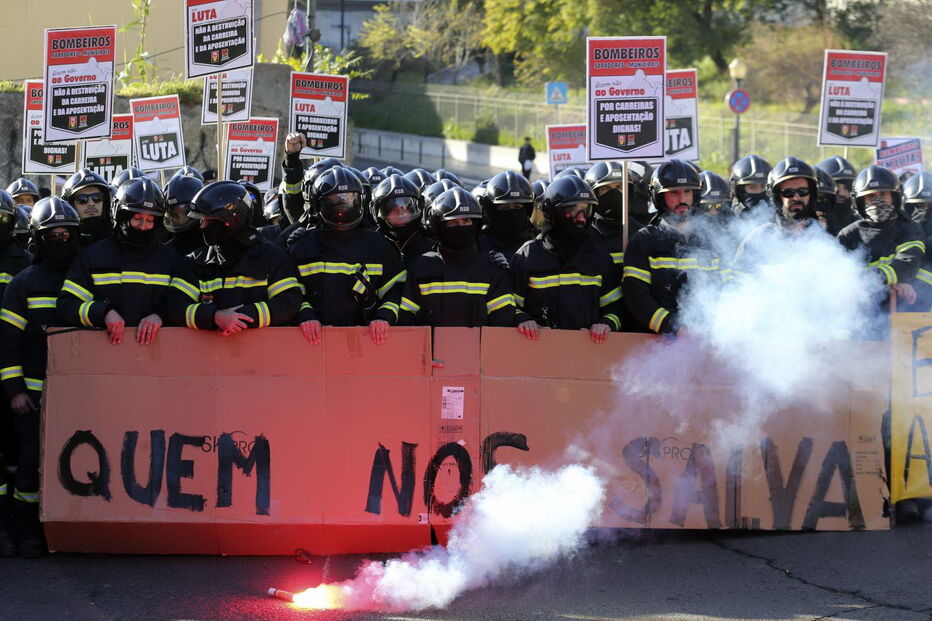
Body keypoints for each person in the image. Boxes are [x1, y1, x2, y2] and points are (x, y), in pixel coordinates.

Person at [0, 197, 81, 557]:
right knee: (30, 467)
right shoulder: (23, 283)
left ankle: (64, 531)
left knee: (75, 463)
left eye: (67, 235)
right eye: (52, 235)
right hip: (32, 398)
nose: (60, 240)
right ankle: (27, 532)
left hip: (80, 396)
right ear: (36, 237)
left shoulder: (86, 279)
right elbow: (8, 344)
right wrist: (15, 391)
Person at [58, 178, 185, 345]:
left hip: (157, 359)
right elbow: (67, 306)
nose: (143, 226)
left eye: (150, 220)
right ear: (121, 215)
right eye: (138, 218)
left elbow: (183, 305)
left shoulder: (171, 260)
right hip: (106, 358)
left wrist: (161, 316)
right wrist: (102, 312)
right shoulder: (93, 257)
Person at [288, 166, 404, 345]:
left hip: (367, 344)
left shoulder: (379, 245)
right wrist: (305, 314)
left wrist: (383, 316)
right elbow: (290, 289)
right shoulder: (303, 246)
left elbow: (397, 288)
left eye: (349, 199)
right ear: (318, 205)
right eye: (334, 200)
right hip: (310, 343)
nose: (342, 206)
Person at [168, 181, 302, 333]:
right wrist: (215, 317)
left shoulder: (272, 257)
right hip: (210, 356)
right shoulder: (195, 261)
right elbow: (175, 305)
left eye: (207, 219)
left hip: (262, 354)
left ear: (231, 221)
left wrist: (244, 316)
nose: (201, 225)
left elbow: (289, 302)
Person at [511, 175, 622, 342]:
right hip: (537, 354)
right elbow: (508, 305)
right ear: (552, 212)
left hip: (585, 355)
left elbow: (617, 307)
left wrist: (607, 323)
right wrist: (522, 319)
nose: (581, 218)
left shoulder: (600, 258)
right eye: (572, 210)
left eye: (586, 210)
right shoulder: (527, 256)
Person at [399, 187, 515, 327]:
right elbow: (406, 319)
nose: (460, 227)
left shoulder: (492, 269)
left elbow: (503, 322)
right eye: (452, 222)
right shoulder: (422, 266)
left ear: (476, 225)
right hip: (430, 348)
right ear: (439, 227)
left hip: (477, 349)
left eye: (466, 221)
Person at [622, 159, 714, 335]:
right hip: (659, 346)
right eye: (674, 193)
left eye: (687, 192)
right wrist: (672, 327)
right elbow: (636, 296)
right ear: (659, 197)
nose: (682, 200)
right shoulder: (644, 241)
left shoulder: (709, 240)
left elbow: (725, 287)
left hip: (707, 339)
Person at [837, 165, 924, 314]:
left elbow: (906, 264)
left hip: (899, 311)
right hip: (858, 313)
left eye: (882, 194)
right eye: (870, 196)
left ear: (895, 197)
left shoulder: (909, 229)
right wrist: (889, 285)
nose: (877, 201)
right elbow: (839, 277)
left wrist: (875, 280)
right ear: (860, 202)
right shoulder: (847, 235)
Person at [371, 174, 435, 268]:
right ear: (375, 210)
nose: (400, 212)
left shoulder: (432, 248)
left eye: (406, 204)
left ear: (420, 205)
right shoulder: (372, 246)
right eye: (391, 206)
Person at [478, 170, 536, 261]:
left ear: (527, 209)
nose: (512, 212)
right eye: (504, 208)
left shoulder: (540, 242)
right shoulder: (479, 247)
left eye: (517, 207)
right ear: (491, 211)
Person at [903, 172, 932, 312]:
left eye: (930, 206)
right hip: (910, 309)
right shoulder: (897, 234)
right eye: (919, 205)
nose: (925, 210)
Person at [61, 169, 113, 245]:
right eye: (82, 199)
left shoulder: (118, 238)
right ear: (70, 204)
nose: (91, 203)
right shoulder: (63, 240)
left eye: (97, 197)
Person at [163, 173, 205, 256]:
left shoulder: (214, 243)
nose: (176, 220)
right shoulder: (165, 253)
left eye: (183, 210)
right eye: (171, 214)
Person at [815, 156, 858, 234]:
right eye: (835, 187)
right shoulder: (808, 221)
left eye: (847, 187)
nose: (842, 193)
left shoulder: (859, 222)